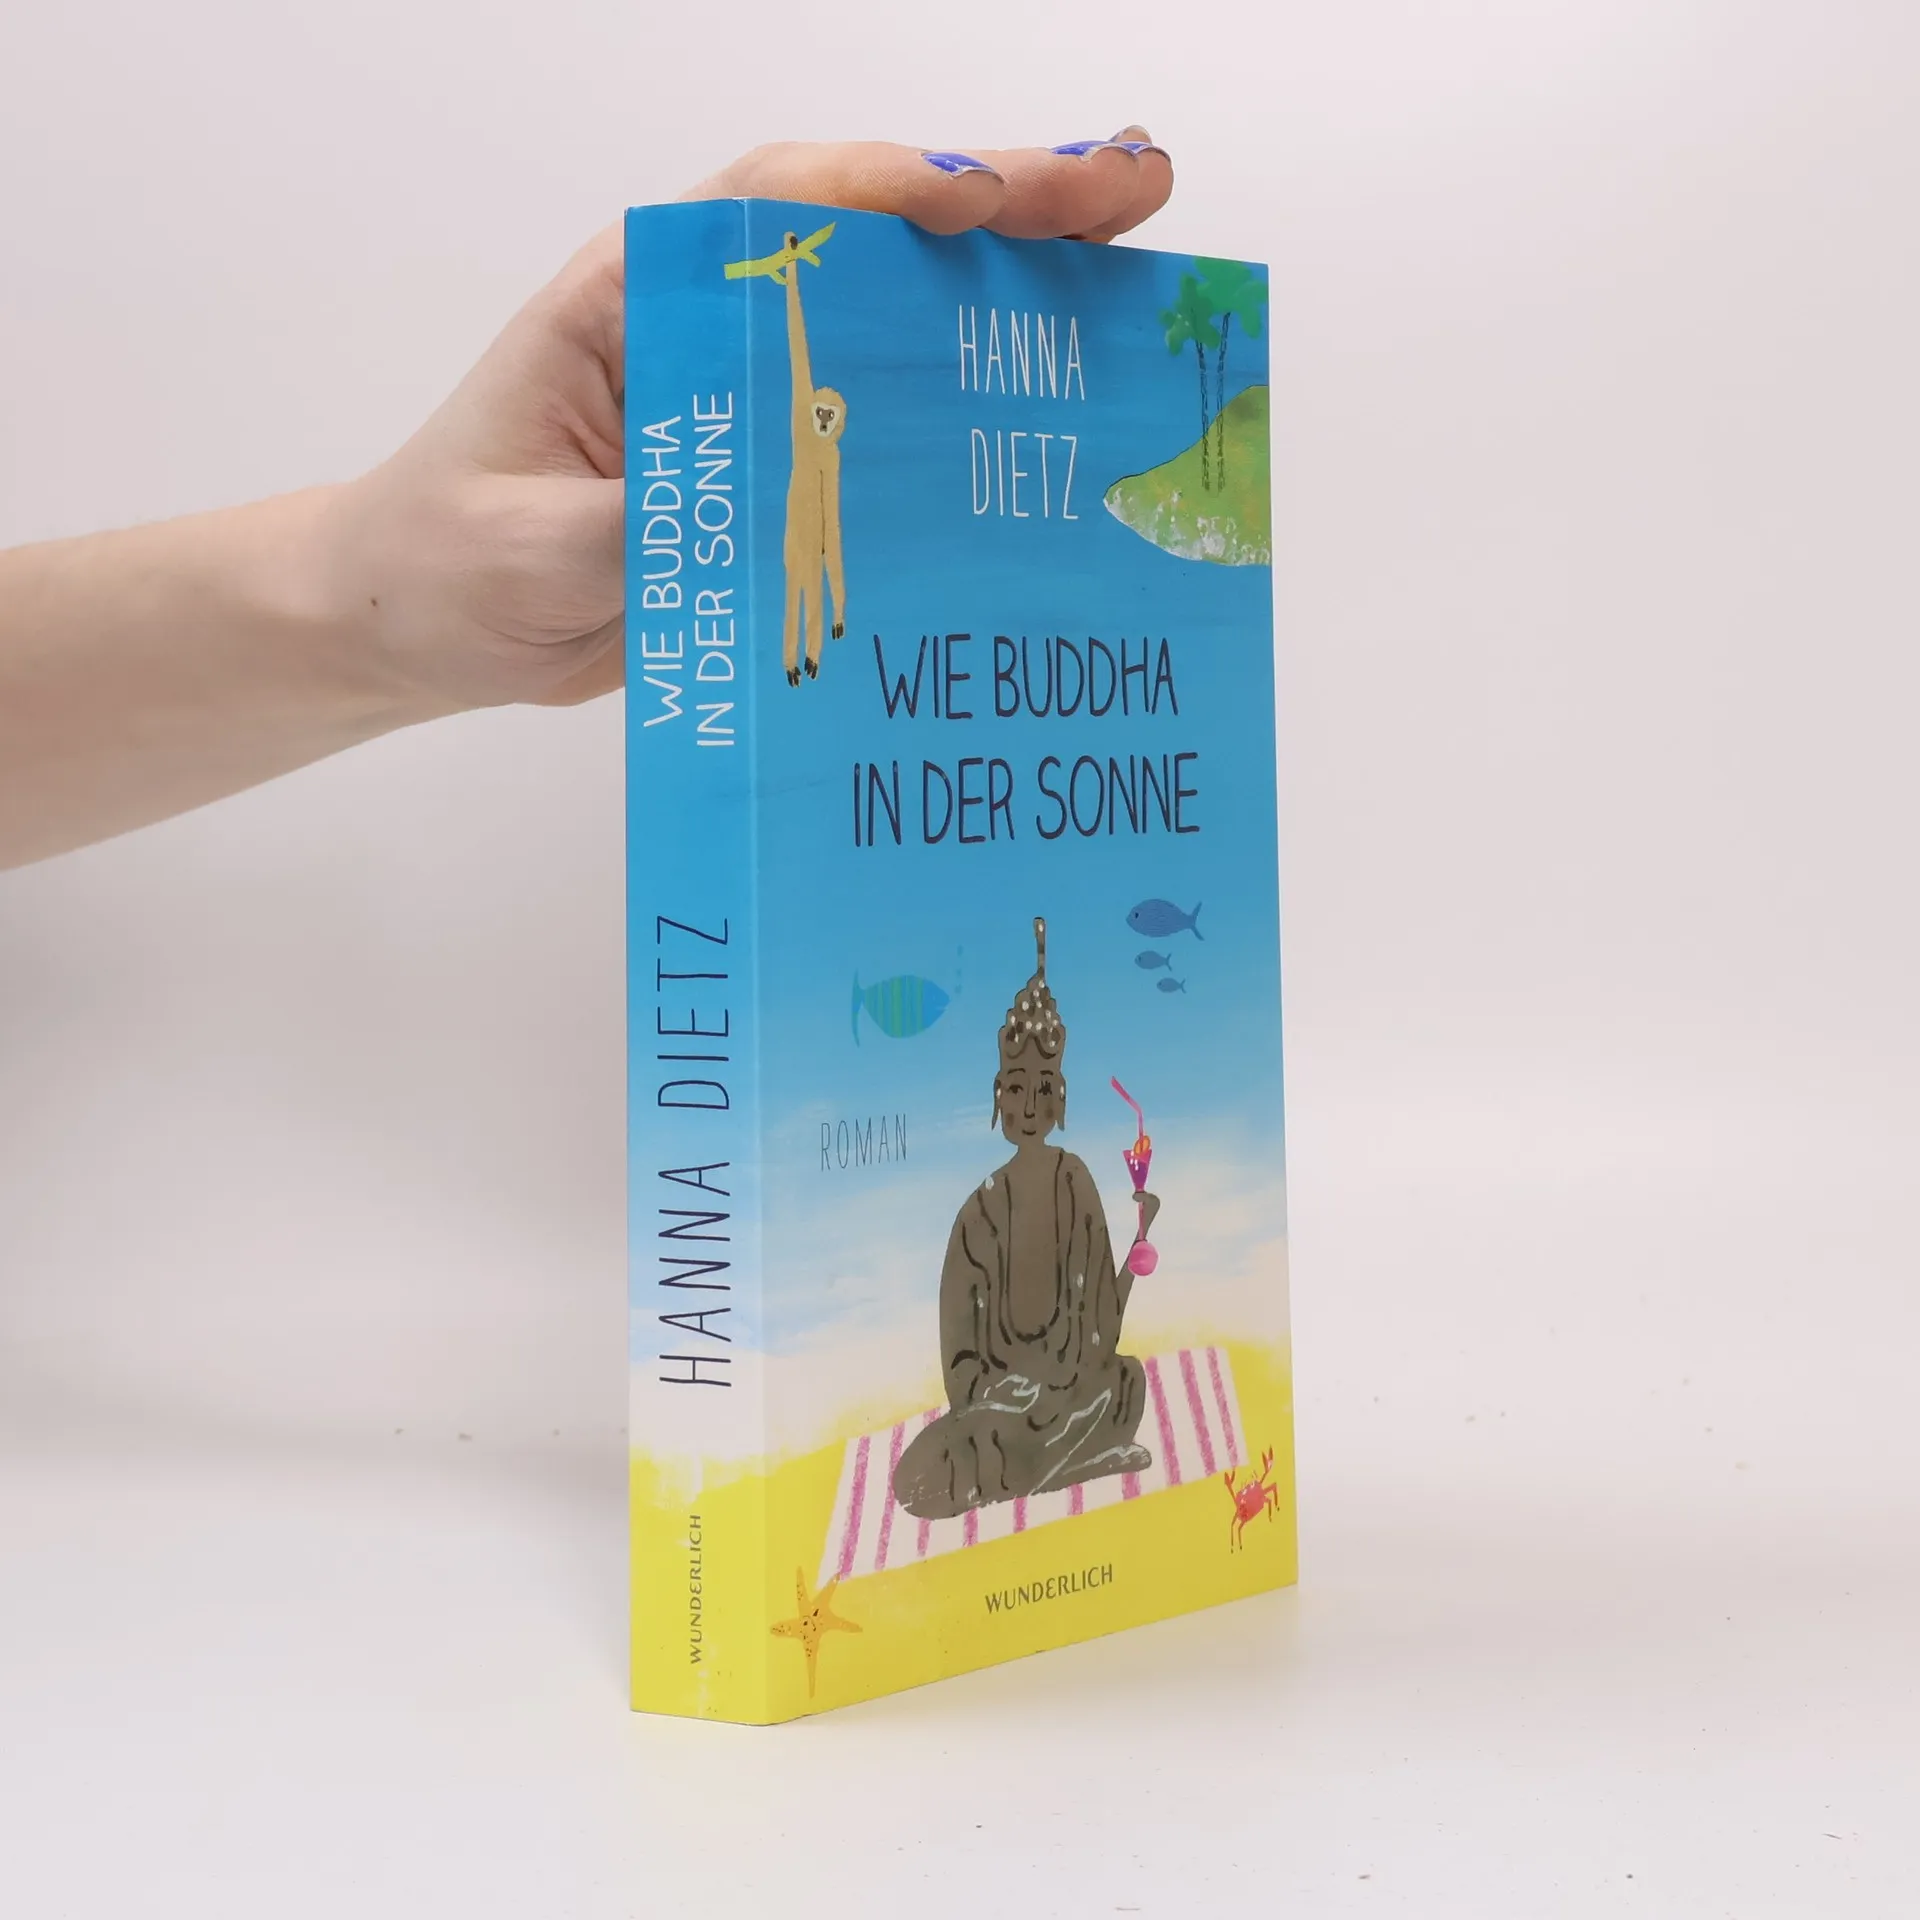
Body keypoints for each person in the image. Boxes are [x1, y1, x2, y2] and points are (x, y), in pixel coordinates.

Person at [0, 133, 1174, 872]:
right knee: (807, 598)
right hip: (794, 545)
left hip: (819, 549)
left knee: (823, 594)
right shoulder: (792, 445)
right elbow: (799, 377)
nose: (823, 418)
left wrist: (369, 599)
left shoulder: (836, 451)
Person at [891, 917, 1161, 1520]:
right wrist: (1001, 1393)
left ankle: (1020, 1474)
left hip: (1078, 1401)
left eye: (1044, 1088)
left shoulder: (1076, 1183)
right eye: (1017, 1089)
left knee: (1128, 1384)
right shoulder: (979, 1213)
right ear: (998, 1094)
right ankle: (1048, 1467)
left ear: (1060, 1096)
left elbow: (1103, 1334)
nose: (1030, 1105)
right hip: (1001, 1416)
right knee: (962, 1449)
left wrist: (1138, 1247)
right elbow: (960, 1363)